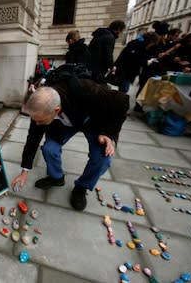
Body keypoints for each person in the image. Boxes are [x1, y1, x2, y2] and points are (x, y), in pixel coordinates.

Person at [10, 78, 129, 211]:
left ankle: (81, 187)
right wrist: (24, 171)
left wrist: (108, 133)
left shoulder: (87, 91)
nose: (37, 124)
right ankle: (56, 178)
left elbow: (122, 101)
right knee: (49, 149)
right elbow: (33, 138)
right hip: (64, 124)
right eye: (35, 120)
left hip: (91, 121)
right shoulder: (40, 110)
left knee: (103, 158)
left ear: (56, 109)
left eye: (41, 121)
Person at [88, 20, 126, 84]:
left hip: (91, 66)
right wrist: (112, 66)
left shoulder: (100, 34)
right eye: (121, 30)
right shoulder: (110, 37)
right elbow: (108, 54)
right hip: (98, 68)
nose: (121, 32)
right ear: (118, 29)